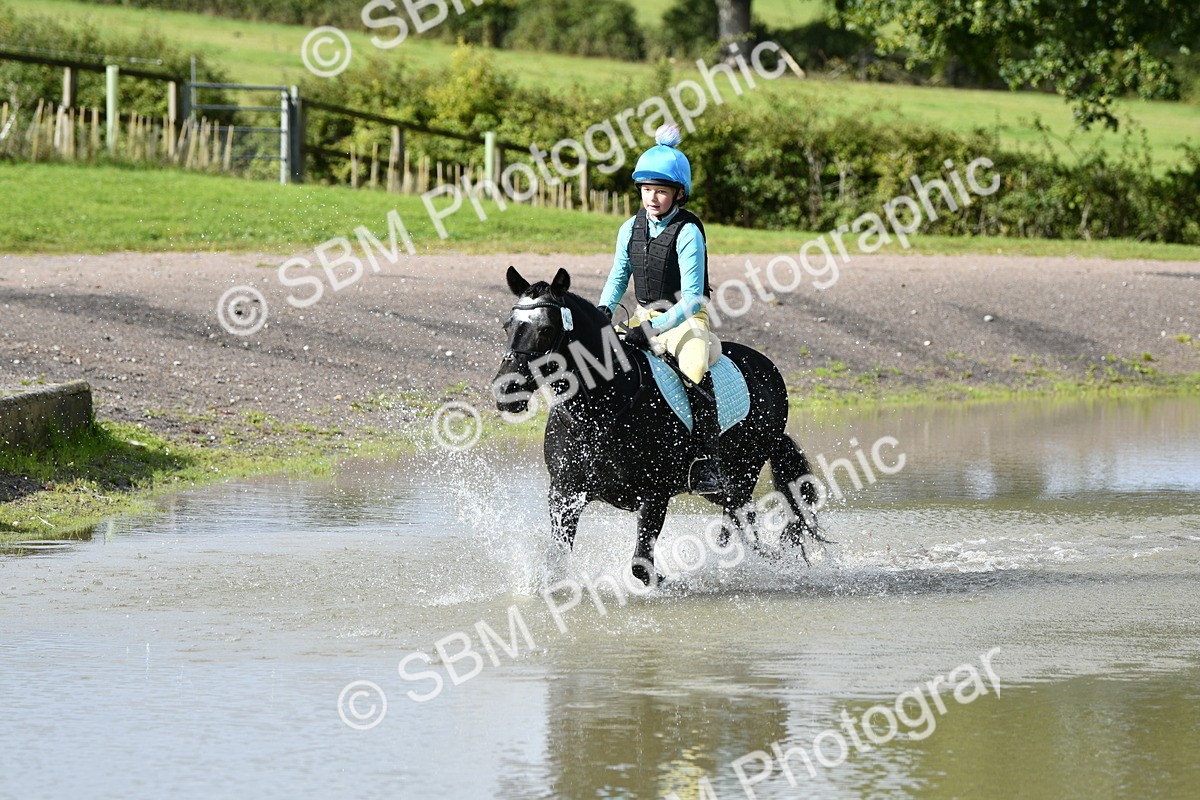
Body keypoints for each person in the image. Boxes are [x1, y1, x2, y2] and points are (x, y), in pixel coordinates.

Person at [596, 124, 725, 495]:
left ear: (678, 193)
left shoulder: (688, 233)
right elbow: (618, 276)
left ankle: (707, 460)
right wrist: (604, 309)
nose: (652, 198)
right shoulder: (628, 228)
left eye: (661, 192)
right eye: (647, 190)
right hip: (641, 315)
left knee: (695, 365)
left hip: (684, 319)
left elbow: (694, 298)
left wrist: (655, 329)